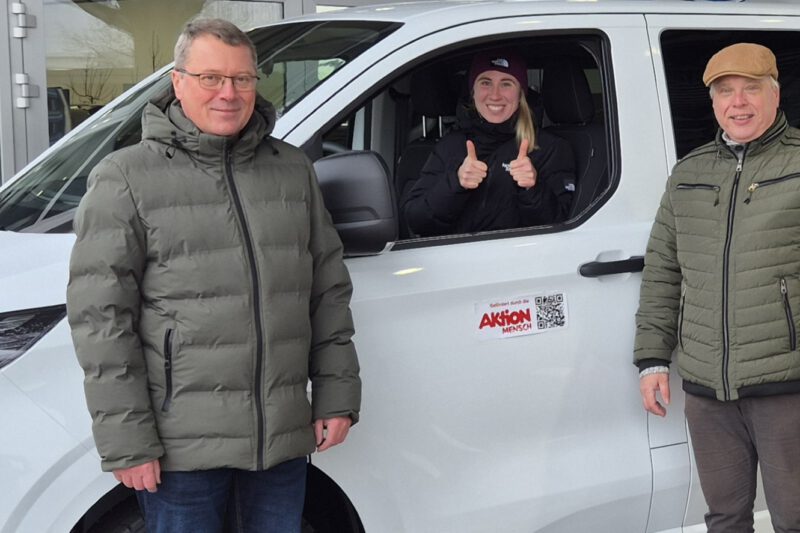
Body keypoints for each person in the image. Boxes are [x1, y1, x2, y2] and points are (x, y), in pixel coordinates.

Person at [66, 18, 361, 533]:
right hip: (181, 449)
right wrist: (128, 441)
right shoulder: (126, 177)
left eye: (242, 79)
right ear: (178, 82)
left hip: (279, 438)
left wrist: (337, 396)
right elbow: (100, 320)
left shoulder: (291, 169)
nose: (228, 93)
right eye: (211, 78)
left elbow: (326, 291)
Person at [634, 42, 800, 533]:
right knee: (725, 518)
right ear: (712, 102)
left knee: (794, 517)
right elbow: (663, 269)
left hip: (786, 382)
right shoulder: (689, 173)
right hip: (708, 388)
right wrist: (652, 359)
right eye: (726, 91)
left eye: (751, 89)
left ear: (775, 95)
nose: (738, 102)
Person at [401, 49, 575, 237]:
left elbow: (563, 231)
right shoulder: (451, 145)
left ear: (521, 94)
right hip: (454, 254)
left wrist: (532, 188)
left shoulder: (549, 148)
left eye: (506, 84)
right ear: (473, 92)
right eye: (485, 82)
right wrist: (455, 183)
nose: (495, 95)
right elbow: (416, 221)